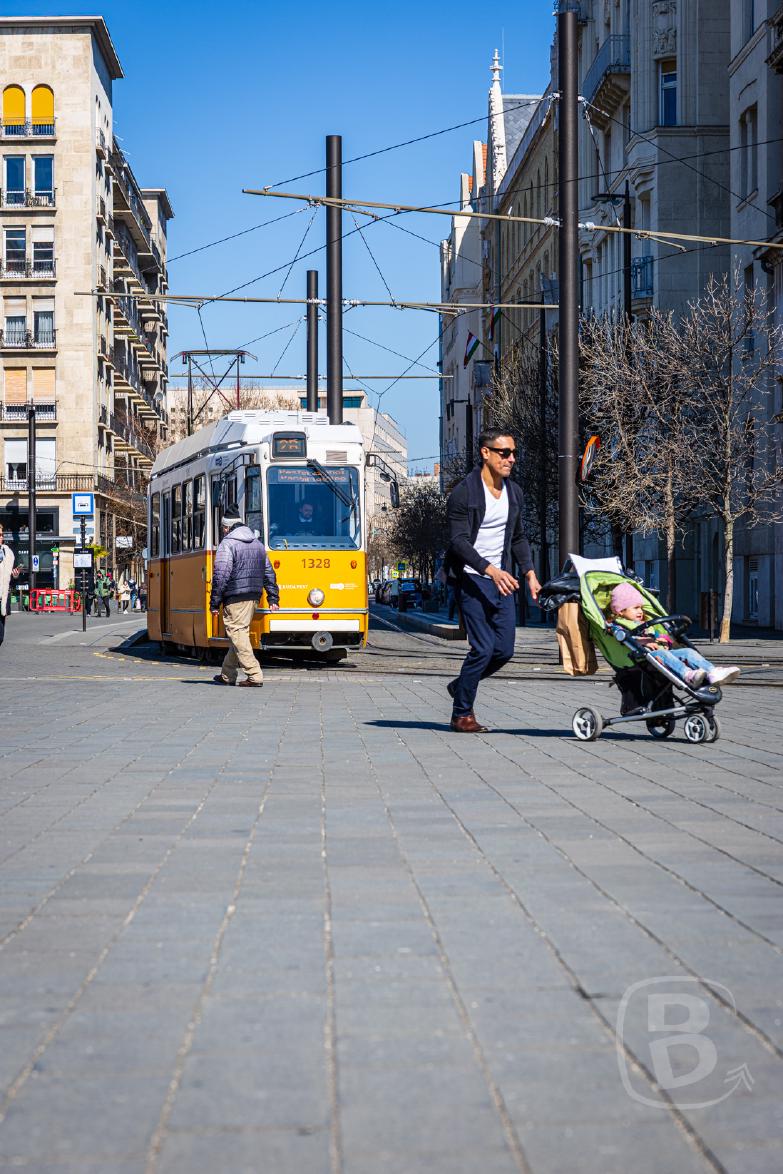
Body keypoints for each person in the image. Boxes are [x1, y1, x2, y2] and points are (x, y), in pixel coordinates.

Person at [444, 429, 541, 732]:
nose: (511, 459)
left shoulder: (514, 493)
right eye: (504, 453)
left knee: (505, 650)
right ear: (486, 453)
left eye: (513, 453)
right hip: (472, 579)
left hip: (503, 580)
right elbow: (458, 542)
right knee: (483, 648)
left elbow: (518, 537)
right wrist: (490, 570)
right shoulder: (464, 492)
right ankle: (462, 714)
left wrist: (530, 574)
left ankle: (462, 686)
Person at [607, 582, 740, 686]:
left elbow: (659, 635)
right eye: (635, 608)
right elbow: (623, 640)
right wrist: (646, 642)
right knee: (663, 654)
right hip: (643, 657)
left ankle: (713, 672)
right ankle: (688, 675)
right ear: (620, 611)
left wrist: (666, 641)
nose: (640, 611)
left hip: (661, 653)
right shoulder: (618, 625)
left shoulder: (646, 623)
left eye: (641, 607)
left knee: (687, 651)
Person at [210, 505, 280, 687]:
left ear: (226, 527)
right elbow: (269, 572)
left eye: (222, 528)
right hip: (254, 596)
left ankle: (254, 674)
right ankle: (227, 674)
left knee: (237, 634)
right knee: (239, 634)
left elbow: (221, 575)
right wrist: (273, 597)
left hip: (235, 596)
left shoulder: (228, 544)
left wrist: (214, 602)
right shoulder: (257, 543)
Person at [0, 525, 22, 647]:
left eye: (2, 535)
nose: (1, 537)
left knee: (0, 637)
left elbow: (9, 582)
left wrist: (15, 576)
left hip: (1, 600)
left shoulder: (7, 553)